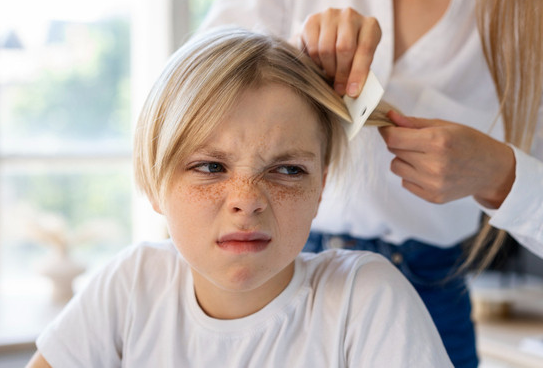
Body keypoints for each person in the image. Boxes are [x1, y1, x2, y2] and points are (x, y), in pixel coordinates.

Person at [25, 28, 453, 367]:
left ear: (320, 187)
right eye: (211, 167)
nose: (247, 201)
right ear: (155, 183)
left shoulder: (366, 300)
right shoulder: (130, 286)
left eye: (287, 170)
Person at [199, 0, 543, 367]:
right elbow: (188, 97)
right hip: (276, 269)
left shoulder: (527, 13)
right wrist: (287, 60)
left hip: (430, 287)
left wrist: (501, 174)